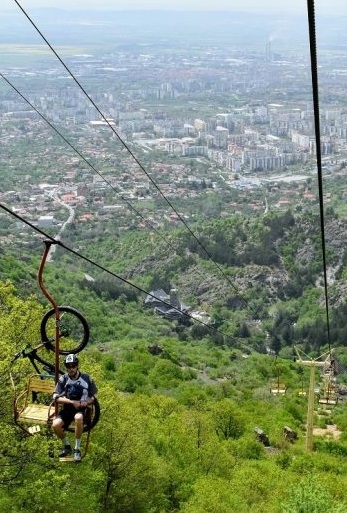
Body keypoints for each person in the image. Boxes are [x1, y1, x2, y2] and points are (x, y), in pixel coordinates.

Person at [52, 354, 98, 462]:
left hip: (81, 409)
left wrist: (87, 401)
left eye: (73, 366)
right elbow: (55, 397)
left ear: (77, 366)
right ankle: (66, 445)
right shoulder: (63, 379)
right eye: (68, 366)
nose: (71, 369)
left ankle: (77, 449)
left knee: (78, 418)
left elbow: (94, 395)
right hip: (67, 409)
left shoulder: (86, 378)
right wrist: (72, 402)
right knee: (55, 425)